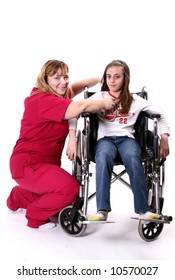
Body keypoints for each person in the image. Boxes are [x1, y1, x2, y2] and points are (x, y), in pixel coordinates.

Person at [6, 59, 116, 229]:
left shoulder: (57, 95)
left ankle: (19, 197)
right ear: (45, 79)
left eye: (65, 77)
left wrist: (101, 80)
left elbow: (78, 86)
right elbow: (80, 106)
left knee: (62, 193)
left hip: (43, 164)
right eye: (57, 78)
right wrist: (104, 103)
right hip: (28, 164)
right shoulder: (42, 100)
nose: (63, 82)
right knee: (70, 189)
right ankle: (35, 216)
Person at [88, 59, 170, 222]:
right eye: (109, 76)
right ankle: (102, 209)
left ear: (125, 79)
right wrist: (72, 138)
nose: (112, 80)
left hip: (127, 139)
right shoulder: (99, 97)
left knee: (133, 157)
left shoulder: (136, 101)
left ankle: (143, 210)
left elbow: (161, 116)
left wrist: (164, 138)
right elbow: (74, 112)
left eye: (117, 77)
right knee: (103, 156)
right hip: (105, 140)